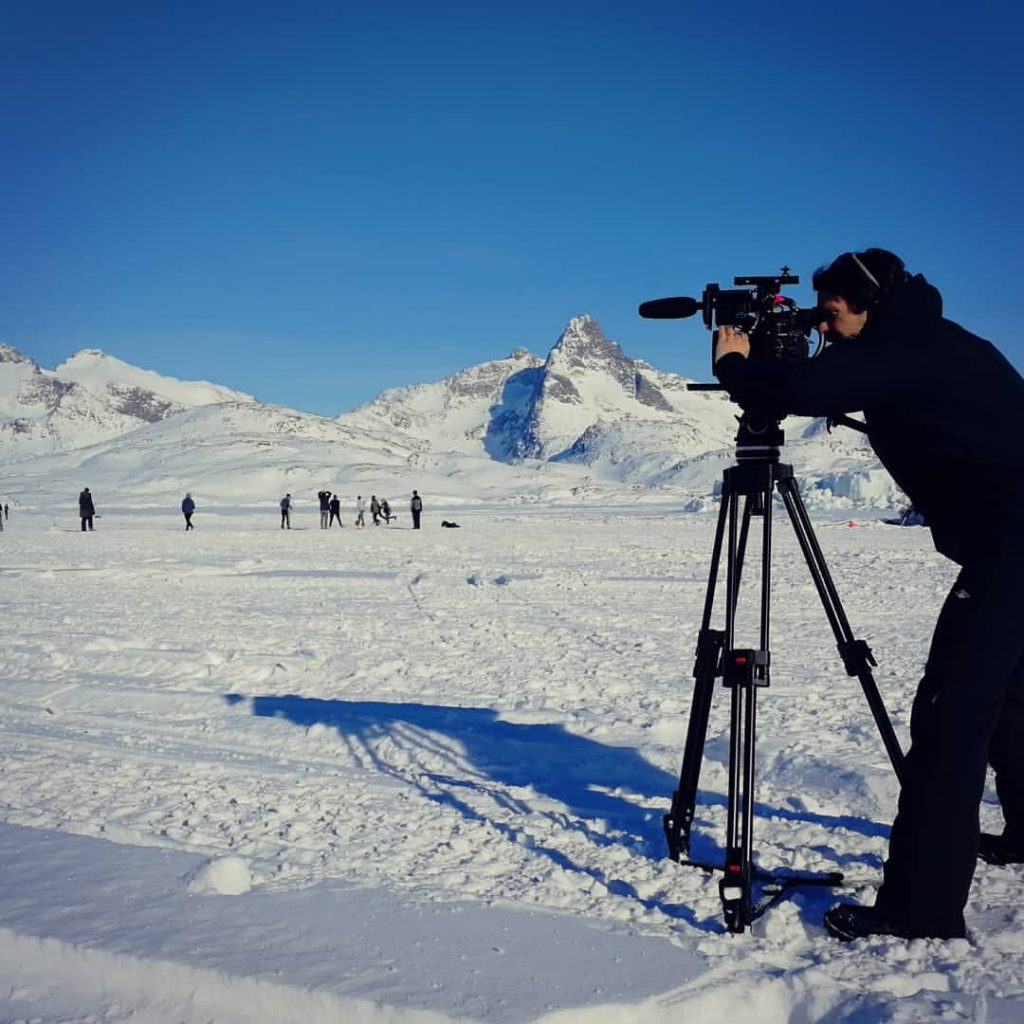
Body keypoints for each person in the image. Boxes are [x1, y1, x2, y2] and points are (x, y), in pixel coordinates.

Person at [713, 248, 1024, 942]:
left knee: (951, 720)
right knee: (1008, 697)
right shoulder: (931, 341)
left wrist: (735, 364)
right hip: (1009, 546)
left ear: (871, 304)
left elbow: (799, 390)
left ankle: (920, 910)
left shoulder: (902, 344)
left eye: (831, 316)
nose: (823, 331)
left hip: (1014, 550)